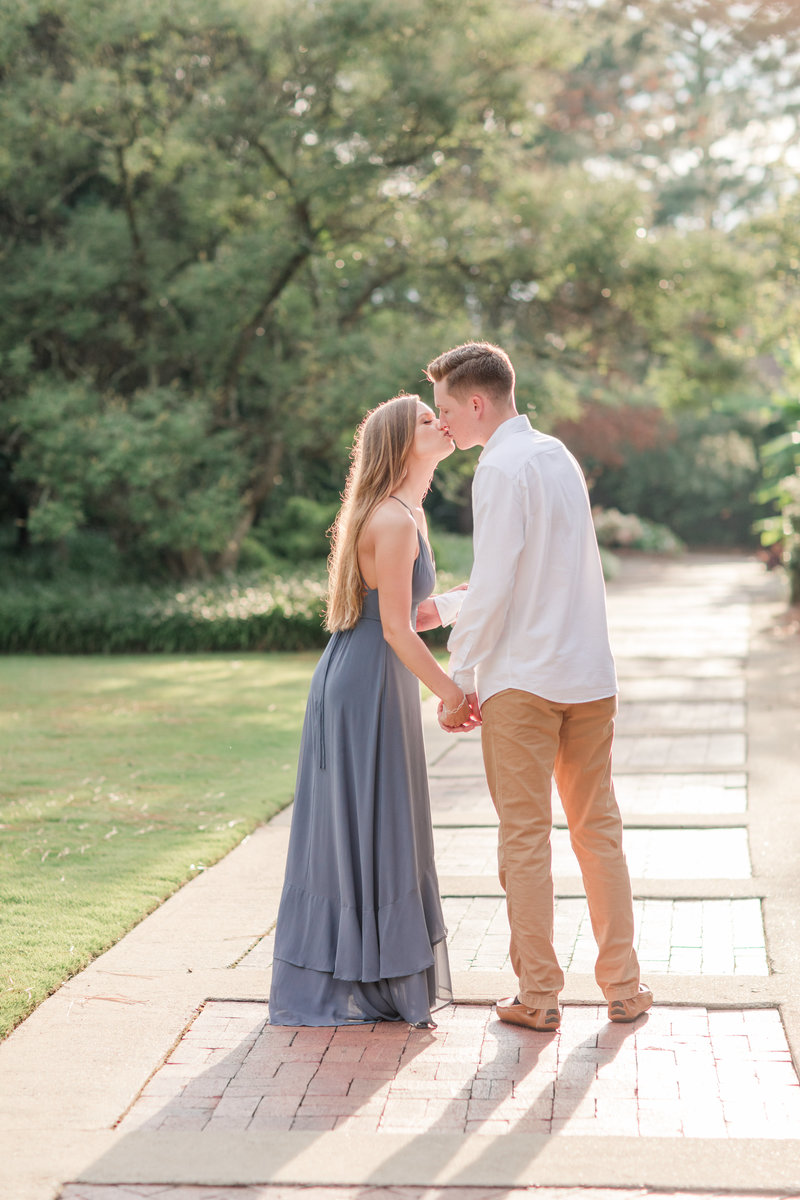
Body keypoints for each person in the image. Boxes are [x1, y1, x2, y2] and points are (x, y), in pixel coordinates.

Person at [425, 341, 653, 1033]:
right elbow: (537, 574)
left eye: (444, 410)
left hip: (522, 683)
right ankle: (624, 988)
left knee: (524, 839)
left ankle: (540, 997)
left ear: (476, 402)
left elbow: (498, 584)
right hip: (588, 676)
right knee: (598, 832)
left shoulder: (497, 469)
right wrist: (449, 607)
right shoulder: (556, 456)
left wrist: (458, 679)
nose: (442, 426)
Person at [269, 393, 473, 1028]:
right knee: (371, 822)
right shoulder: (393, 520)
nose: (440, 422)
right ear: (398, 444)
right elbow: (395, 630)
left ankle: (377, 971)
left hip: (370, 677)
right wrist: (451, 692)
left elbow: (411, 614)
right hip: (364, 685)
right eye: (423, 419)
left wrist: (470, 600)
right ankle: (360, 977)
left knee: (379, 822)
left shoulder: (408, 511)